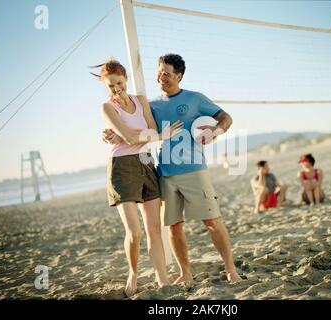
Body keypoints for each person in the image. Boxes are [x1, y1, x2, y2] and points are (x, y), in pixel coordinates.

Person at [103, 54, 242, 286]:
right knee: (174, 227)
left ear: (179, 76)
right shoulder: (152, 105)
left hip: (194, 170)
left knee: (212, 222)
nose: (161, 77)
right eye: (159, 72)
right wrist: (113, 134)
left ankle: (231, 269)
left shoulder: (195, 98)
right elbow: (142, 131)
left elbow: (226, 117)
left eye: (167, 73)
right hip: (164, 173)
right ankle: (185, 273)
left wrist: (215, 132)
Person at [93, 59, 183, 296]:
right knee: (134, 232)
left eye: (119, 83)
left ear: (126, 79)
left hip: (146, 163)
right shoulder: (107, 108)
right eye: (111, 86)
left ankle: (162, 278)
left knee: (154, 227)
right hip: (122, 167)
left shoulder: (140, 100)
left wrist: (127, 134)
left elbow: (147, 132)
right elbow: (135, 138)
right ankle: (133, 273)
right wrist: (134, 135)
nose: (116, 89)